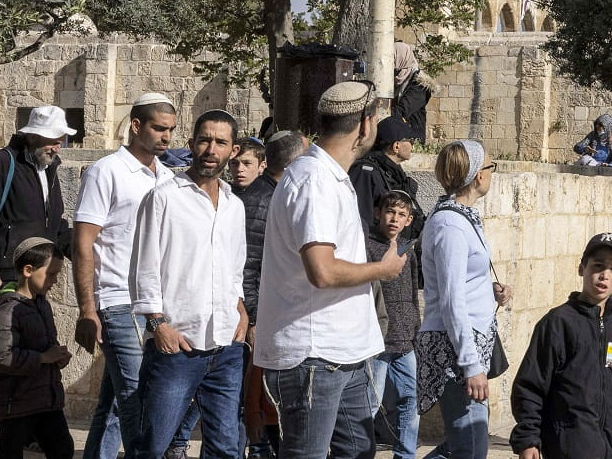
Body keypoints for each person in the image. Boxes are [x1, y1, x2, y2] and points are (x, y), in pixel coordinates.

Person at [254, 81, 407, 459]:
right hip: (315, 355)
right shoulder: (314, 181)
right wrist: (381, 270)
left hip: (344, 353)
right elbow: (321, 270)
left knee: (357, 451)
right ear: (366, 126)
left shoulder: (330, 176)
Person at [0, 106, 78, 445]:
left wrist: (78, 250)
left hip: (39, 269)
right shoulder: (2, 164)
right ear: (33, 136)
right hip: (10, 271)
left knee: (18, 349)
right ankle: (30, 430)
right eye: (54, 140)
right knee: (22, 348)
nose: (58, 146)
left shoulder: (48, 168)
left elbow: (55, 223)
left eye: (61, 140)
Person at [130, 109, 249, 459]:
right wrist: (157, 323)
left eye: (220, 142)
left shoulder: (233, 205)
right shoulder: (164, 197)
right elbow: (144, 266)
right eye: (204, 140)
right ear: (192, 144)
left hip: (226, 346)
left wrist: (240, 309)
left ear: (234, 150)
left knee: (226, 446)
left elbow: (234, 266)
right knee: (154, 443)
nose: (211, 149)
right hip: (177, 346)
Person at [73, 94, 178, 459]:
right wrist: (88, 309)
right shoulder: (107, 171)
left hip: (152, 305)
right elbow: (83, 242)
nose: (167, 137)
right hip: (116, 302)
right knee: (139, 402)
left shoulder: (167, 176)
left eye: (171, 130)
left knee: (117, 403)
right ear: (136, 125)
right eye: (159, 128)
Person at [417, 139, 511, 459]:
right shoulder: (450, 224)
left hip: (467, 344)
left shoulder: (463, 217)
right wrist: (471, 365)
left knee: (465, 445)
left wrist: (491, 291)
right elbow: (451, 299)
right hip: (455, 352)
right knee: (470, 447)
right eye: (489, 166)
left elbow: (465, 283)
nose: (490, 173)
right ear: (477, 176)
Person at [509, 234, 612, 459]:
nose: (604, 275)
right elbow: (531, 385)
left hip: (610, 448)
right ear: (582, 268)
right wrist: (528, 439)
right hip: (568, 447)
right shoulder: (558, 323)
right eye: (597, 266)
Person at [236, 132, 304, 459]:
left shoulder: (275, 194)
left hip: (270, 314)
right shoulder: (261, 199)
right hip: (259, 318)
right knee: (252, 404)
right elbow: (247, 264)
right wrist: (253, 316)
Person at [0, 238, 74, 459]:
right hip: (15, 404)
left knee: (62, 448)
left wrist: (57, 356)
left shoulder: (41, 303)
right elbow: (1, 356)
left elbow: (45, 343)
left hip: (46, 400)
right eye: (51, 274)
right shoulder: (9, 308)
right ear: (28, 270)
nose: (55, 280)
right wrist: (43, 358)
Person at [365, 193, 421, 459]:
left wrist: (415, 330)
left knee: (411, 398)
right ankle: (360, 451)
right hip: (377, 341)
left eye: (401, 215)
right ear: (378, 213)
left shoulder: (408, 250)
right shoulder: (366, 247)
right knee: (369, 403)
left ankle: (405, 454)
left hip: (404, 340)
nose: (394, 219)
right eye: (390, 212)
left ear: (408, 220)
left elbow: (412, 294)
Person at [350, 117, 422, 235]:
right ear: (396, 146)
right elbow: (362, 220)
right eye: (410, 140)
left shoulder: (393, 172)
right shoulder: (366, 172)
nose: (412, 144)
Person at [390, 41, 433, 136]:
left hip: (411, 139)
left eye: (393, 57)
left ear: (401, 57)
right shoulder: (396, 80)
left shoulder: (420, 85)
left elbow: (402, 111)